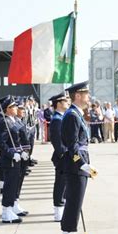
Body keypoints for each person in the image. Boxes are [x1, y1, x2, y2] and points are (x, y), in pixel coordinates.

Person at [60, 81, 97, 234]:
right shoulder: (72, 116)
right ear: (77, 95)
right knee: (73, 205)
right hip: (75, 167)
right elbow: (71, 146)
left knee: (76, 204)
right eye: (86, 94)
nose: (88, 97)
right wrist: (81, 163)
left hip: (79, 165)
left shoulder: (76, 114)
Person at [0, 95, 25, 223]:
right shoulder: (5, 122)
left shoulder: (13, 121)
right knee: (9, 186)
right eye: (12, 106)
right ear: (7, 109)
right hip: (10, 160)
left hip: (17, 159)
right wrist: (12, 154)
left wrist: (22, 151)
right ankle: (6, 212)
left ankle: (11, 208)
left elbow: (17, 140)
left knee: (14, 184)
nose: (15, 108)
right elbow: (2, 144)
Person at [49, 92, 69, 222]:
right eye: (65, 101)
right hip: (62, 157)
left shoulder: (62, 117)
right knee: (60, 183)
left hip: (66, 155)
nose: (68, 103)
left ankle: (63, 206)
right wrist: (64, 155)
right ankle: (58, 209)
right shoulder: (57, 119)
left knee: (66, 182)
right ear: (59, 104)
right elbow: (57, 142)